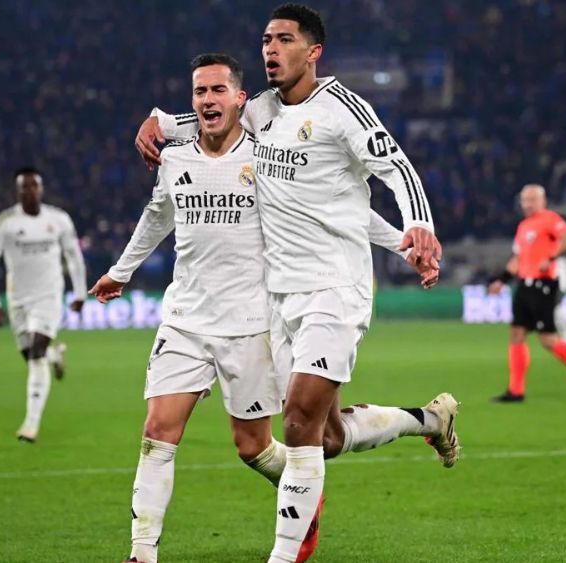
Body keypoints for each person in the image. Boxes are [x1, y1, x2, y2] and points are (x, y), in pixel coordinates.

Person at [133, 6, 459, 562]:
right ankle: (427, 419)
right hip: (280, 296)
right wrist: (156, 121)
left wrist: (418, 227)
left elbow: (396, 168)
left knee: (297, 421)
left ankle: (283, 556)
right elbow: (206, 117)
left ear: (313, 53)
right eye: (266, 39)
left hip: (336, 287)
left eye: (284, 39)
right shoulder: (259, 111)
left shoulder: (342, 109)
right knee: (325, 437)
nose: (270, 49)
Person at [0, 167, 86, 442]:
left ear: (41, 188)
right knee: (31, 357)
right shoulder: (5, 223)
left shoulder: (59, 220)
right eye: (24, 187)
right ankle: (55, 356)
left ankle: (31, 424)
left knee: (36, 350)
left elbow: (73, 256)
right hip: (18, 299)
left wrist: (79, 292)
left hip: (49, 296)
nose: (30, 191)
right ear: (17, 192)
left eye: (34, 186)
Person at [489, 184, 566, 402]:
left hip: (544, 285)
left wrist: (550, 256)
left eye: (532, 199)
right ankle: (516, 391)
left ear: (543, 201)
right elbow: (518, 258)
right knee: (516, 334)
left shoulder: (550, 219)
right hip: (525, 285)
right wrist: (502, 280)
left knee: (548, 340)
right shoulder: (523, 226)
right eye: (524, 200)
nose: (527, 204)